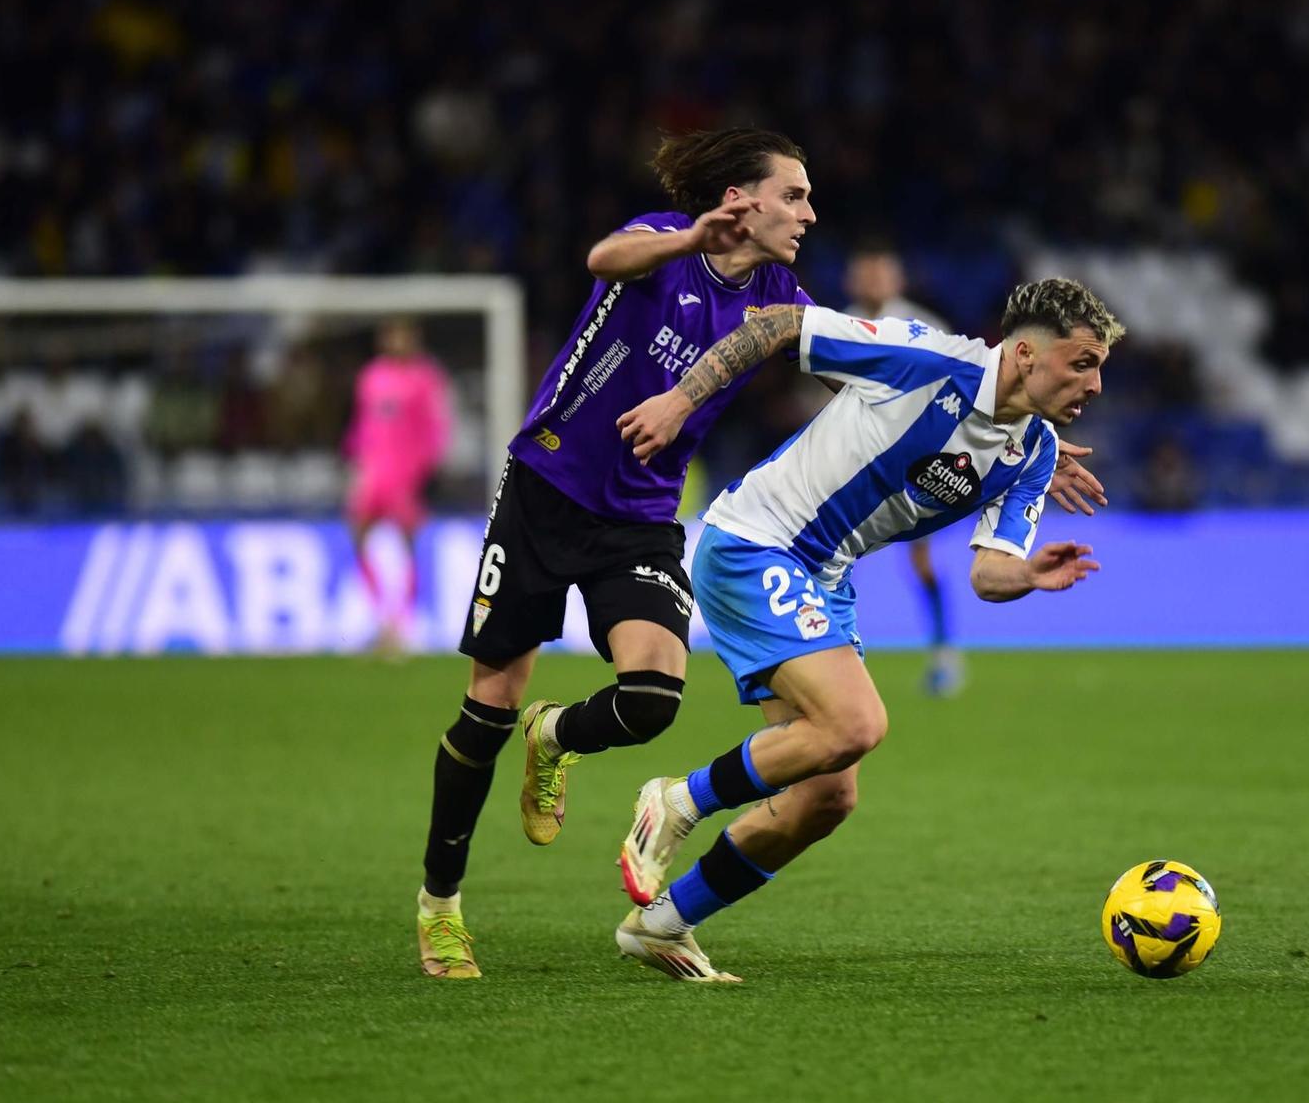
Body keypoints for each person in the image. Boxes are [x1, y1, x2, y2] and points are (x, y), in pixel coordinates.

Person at [414, 130, 1103, 979]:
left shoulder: (785, 292)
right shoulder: (664, 240)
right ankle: (442, 906)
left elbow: (839, 365)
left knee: (696, 719)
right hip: (548, 486)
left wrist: (1007, 439)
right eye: (796, 195)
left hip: (643, 514)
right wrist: (688, 262)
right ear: (742, 199)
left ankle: (617, 842)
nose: (811, 213)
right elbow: (604, 256)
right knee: (487, 705)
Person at [607, 278, 1123, 981]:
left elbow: (988, 574)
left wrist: (1029, 574)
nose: (1094, 383)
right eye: (1082, 362)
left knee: (826, 795)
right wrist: (679, 400)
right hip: (755, 542)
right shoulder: (927, 358)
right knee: (855, 722)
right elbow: (782, 324)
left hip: (823, 576)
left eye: (1099, 366)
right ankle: (676, 799)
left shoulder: (1033, 453)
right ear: (1027, 353)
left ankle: (663, 925)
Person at [843, 240, 963, 696]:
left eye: (880, 272)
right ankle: (836, 657)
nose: (872, 281)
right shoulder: (841, 323)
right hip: (854, 462)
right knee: (831, 560)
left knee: (923, 562)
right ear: (852, 279)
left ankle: (943, 652)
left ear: (897, 279)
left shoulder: (923, 326)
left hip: (916, 462)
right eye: (865, 273)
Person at [343, 319, 451, 653]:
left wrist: (426, 471)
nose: (396, 341)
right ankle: (381, 619)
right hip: (372, 473)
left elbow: (436, 429)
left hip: (405, 474)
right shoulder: (372, 376)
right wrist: (355, 464)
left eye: (403, 335)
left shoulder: (426, 377)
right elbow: (362, 425)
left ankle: (401, 626)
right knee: (359, 537)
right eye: (391, 335)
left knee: (407, 548)